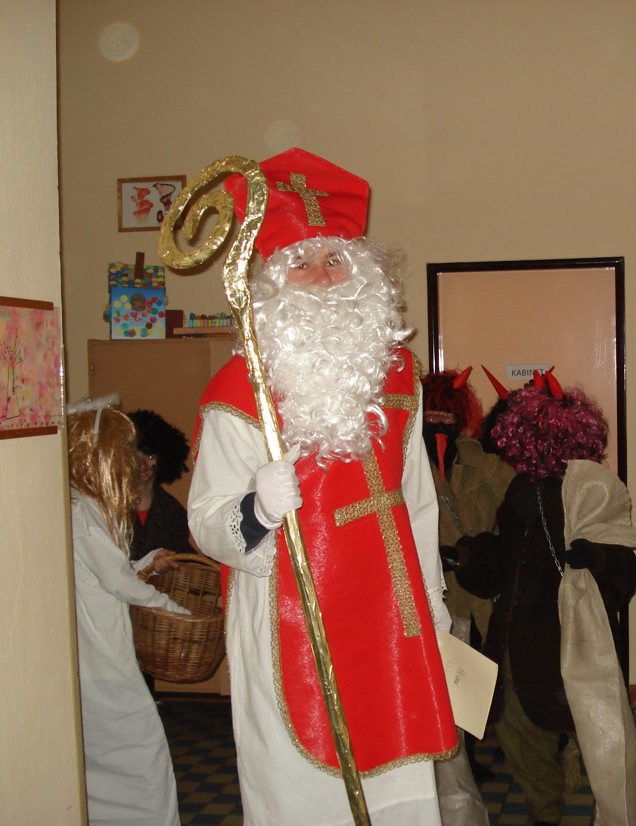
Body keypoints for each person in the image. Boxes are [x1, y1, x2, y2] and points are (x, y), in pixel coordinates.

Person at [185, 148, 457, 825]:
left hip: (390, 610)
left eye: (335, 260)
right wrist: (256, 509)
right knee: (301, 793)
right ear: (274, 283)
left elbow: (417, 501)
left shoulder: (397, 376)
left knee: (398, 783)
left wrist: (432, 603)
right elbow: (207, 518)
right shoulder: (239, 389)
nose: (323, 277)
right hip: (290, 614)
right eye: (301, 263)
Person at [448, 374, 636, 826]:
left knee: (594, 733)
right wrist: (467, 555)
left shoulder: (590, 490)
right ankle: (545, 811)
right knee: (518, 730)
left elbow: (623, 572)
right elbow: (504, 559)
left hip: (573, 641)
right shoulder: (520, 489)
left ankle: (600, 809)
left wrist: (595, 557)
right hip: (518, 642)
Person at [67, 399, 186, 826]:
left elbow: (111, 573)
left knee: (126, 759)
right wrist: (174, 609)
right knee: (142, 755)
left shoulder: (89, 508)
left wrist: (148, 561)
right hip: (100, 662)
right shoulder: (82, 513)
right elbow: (118, 584)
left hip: (105, 654)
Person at [422, 366, 515, 787]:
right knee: (433, 680)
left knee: (470, 675)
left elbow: (512, 511)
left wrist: (482, 553)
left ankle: (466, 758)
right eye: (432, 414)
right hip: (429, 591)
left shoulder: (483, 463)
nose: (439, 422)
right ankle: (439, 760)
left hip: (474, 590)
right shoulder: (404, 465)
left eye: (447, 414)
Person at [128, 408, 194, 561]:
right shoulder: (109, 508)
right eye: (135, 457)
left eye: (150, 456)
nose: (143, 464)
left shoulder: (173, 512)